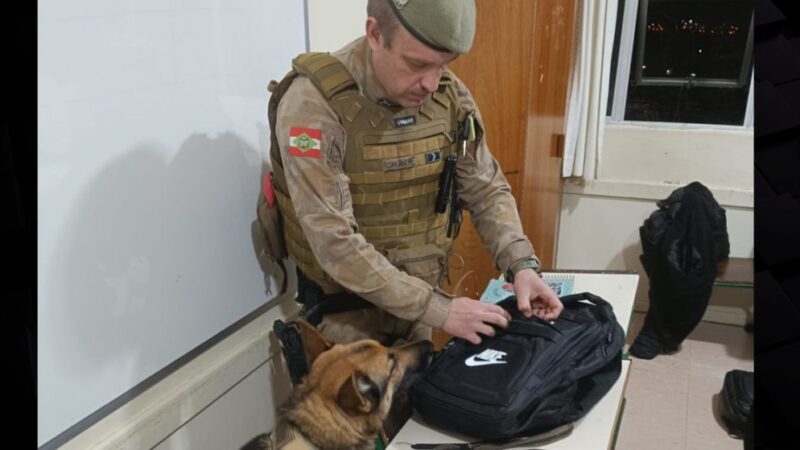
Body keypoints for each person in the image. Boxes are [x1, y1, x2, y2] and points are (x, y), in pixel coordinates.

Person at [263, 0, 562, 346]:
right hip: (344, 322)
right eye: (417, 64)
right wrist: (440, 310)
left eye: (444, 65)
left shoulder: (449, 98)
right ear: (375, 34)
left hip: (417, 309)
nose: (432, 84)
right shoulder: (313, 106)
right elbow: (334, 242)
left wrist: (521, 264)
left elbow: (485, 189)